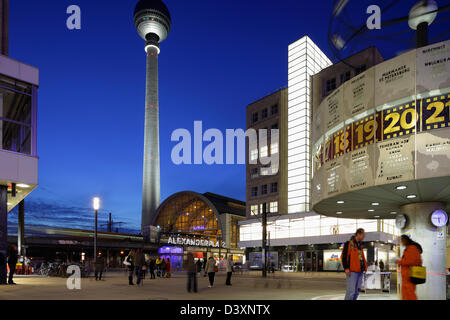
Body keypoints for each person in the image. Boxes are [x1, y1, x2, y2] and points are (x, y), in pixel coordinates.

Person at [341, 228, 367, 300]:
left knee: (357, 291)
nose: (364, 236)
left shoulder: (360, 245)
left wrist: (364, 267)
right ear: (358, 234)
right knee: (351, 291)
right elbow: (344, 257)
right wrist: (346, 268)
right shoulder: (349, 244)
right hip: (352, 271)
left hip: (360, 271)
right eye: (363, 234)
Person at [396, 235, 423, 300]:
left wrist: (399, 261)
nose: (401, 242)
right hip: (407, 276)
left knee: (410, 295)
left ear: (405, 240)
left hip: (409, 276)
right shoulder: (410, 248)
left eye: (401, 240)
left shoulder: (412, 248)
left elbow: (411, 261)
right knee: (406, 295)